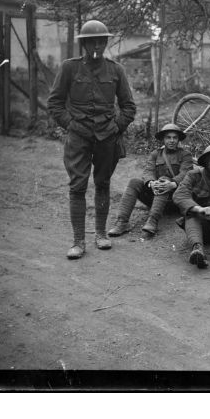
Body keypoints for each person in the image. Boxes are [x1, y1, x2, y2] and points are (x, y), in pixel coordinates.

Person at [47, 20, 136, 260]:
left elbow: (128, 106)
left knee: (103, 183)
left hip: (107, 138)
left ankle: (100, 234)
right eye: (92, 41)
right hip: (78, 138)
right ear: (84, 43)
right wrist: (71, 125)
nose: (97, 45)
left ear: (106, 42)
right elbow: (54, 103)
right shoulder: (69, 68)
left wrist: (116, 126)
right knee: (77, 186)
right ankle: (78, 241)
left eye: (101, 41)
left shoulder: (116, 70)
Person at [107, 123, 193, 237]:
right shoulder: (155, 154)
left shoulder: (185, 155)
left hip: (175, 199)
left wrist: (172, 184)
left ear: (178, 140)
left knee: (163, 180)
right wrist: (151, 182)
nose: (171, 140)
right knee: (134, 182)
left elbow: (186, 173)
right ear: (163, 139)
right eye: (168, 137)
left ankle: (152, 221)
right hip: (157, 197)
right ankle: (122, 222)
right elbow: (148, 171)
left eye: (175, 137)